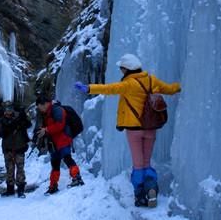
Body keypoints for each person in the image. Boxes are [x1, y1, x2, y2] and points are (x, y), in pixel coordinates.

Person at [74, 53, 181, 208]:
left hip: (134, 130)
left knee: (138, 165)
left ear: (127, 69)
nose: (121, 71)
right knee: (146, 161)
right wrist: (180, 86)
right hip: (151, 128)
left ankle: (140, 196)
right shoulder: (152, 80)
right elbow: (169, 89)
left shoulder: (129, 84)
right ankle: (151, 188)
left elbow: (109, 88)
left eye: (122, 68)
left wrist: (88, 88)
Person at [35, 95, 84, 195]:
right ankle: (53, 185)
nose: (39, 109)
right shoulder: (46, 113)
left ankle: (77, 177)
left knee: (67, 158)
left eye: (39, 106)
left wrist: (46, 130)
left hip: (63, 139)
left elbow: (60, 125)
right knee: (55, 163)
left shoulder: (57, 109)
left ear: (44, 104)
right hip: (53, 142)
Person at [0, 101, 32, 198]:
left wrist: (23, 116)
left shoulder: (20, 118)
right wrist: (15, 123)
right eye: (6, 109)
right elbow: (2, 132)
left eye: (10, 109)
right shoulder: (2, 120)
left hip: (19, 147)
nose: (8, 111)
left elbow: (28, 124)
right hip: (8, 148)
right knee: (9, 169)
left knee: (20, 169)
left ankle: (21, 189)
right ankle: (10, 189)